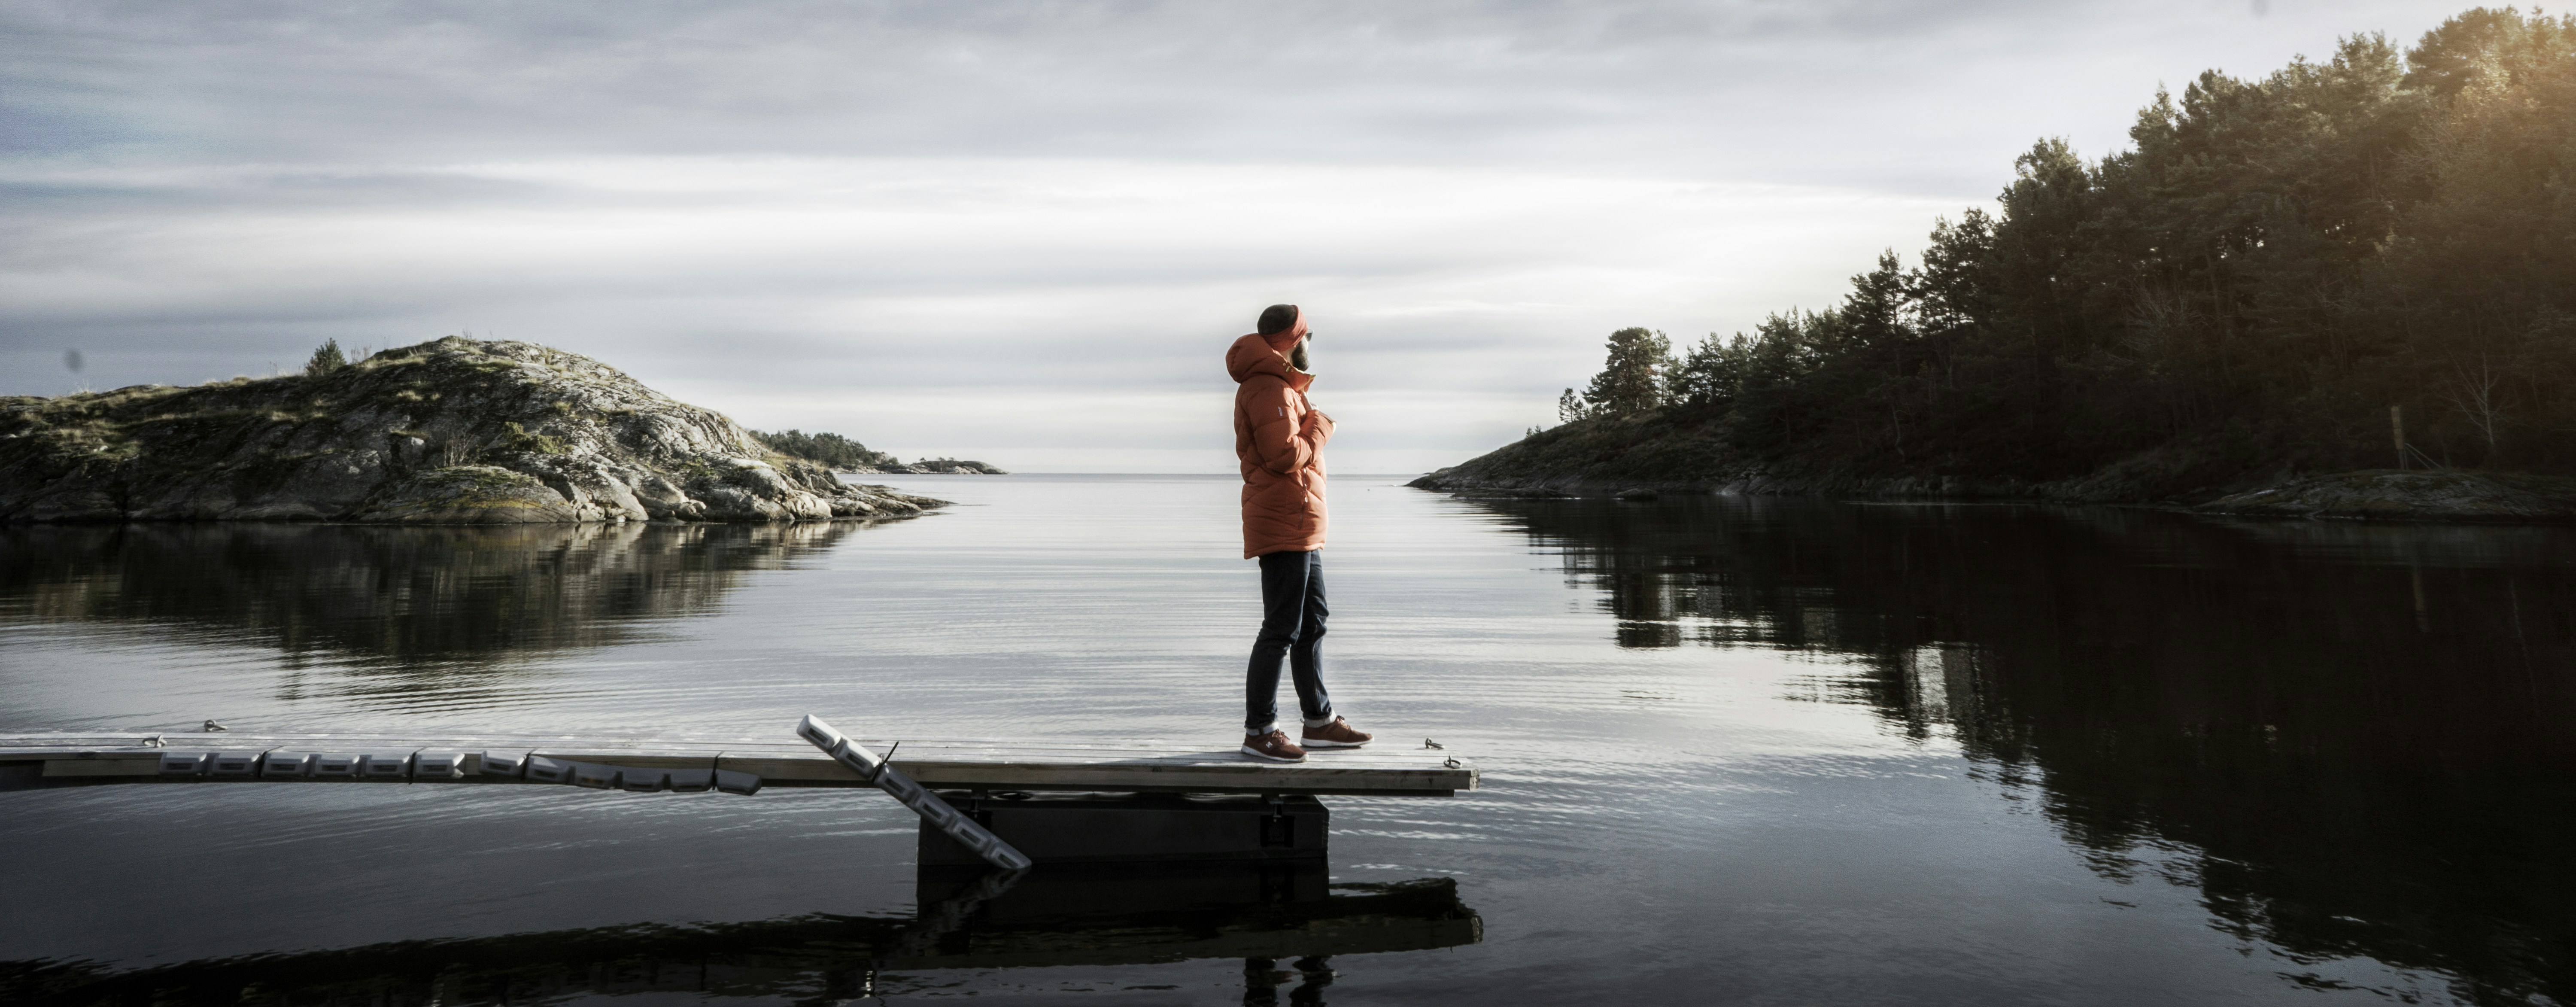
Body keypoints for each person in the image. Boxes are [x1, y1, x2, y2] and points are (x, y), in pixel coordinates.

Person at [1227, 304, 1373, 762]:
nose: (1311, 345)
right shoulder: (1267, 387)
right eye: (1308, 337)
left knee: (1312, 622)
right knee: (1281, 628)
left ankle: (1319, 721)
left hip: (1300, 520)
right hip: (1284, 520)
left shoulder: (1281, 387)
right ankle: (1260, 730)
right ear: (1293, 341)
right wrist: (1321, 427)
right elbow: (1284, 457)